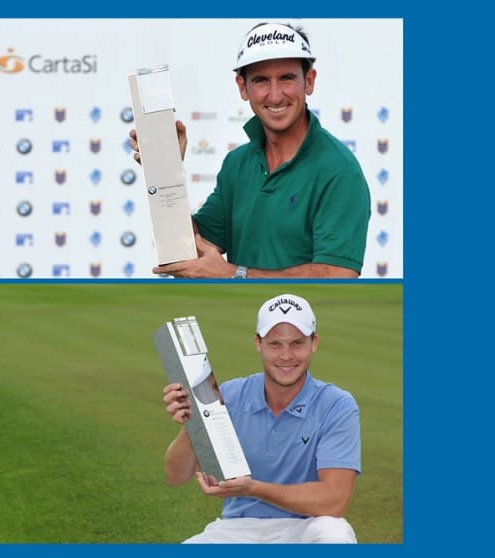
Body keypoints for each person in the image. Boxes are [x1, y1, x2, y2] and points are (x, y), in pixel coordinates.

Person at [130, 22, 371, 278]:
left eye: (287, 78)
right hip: (238, 317)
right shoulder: (237, 164)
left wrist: (234, 274)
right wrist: (165, 172)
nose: (275, 96)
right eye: (261, 81)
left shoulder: (339, 171)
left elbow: (338, 275)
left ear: (308, 82)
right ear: (243, 88)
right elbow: (189, 253)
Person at [161, 293, 360, 543]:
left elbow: (334, 500)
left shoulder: (337, 405)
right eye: (275, 344)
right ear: (258, 343)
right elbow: (176, 475)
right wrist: (193, 424)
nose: (286, 355)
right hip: (236, 528)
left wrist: (253, 488)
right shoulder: (230, 395)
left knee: (334, 533)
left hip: (306, 525)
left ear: (314, 342)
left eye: (297, 343)